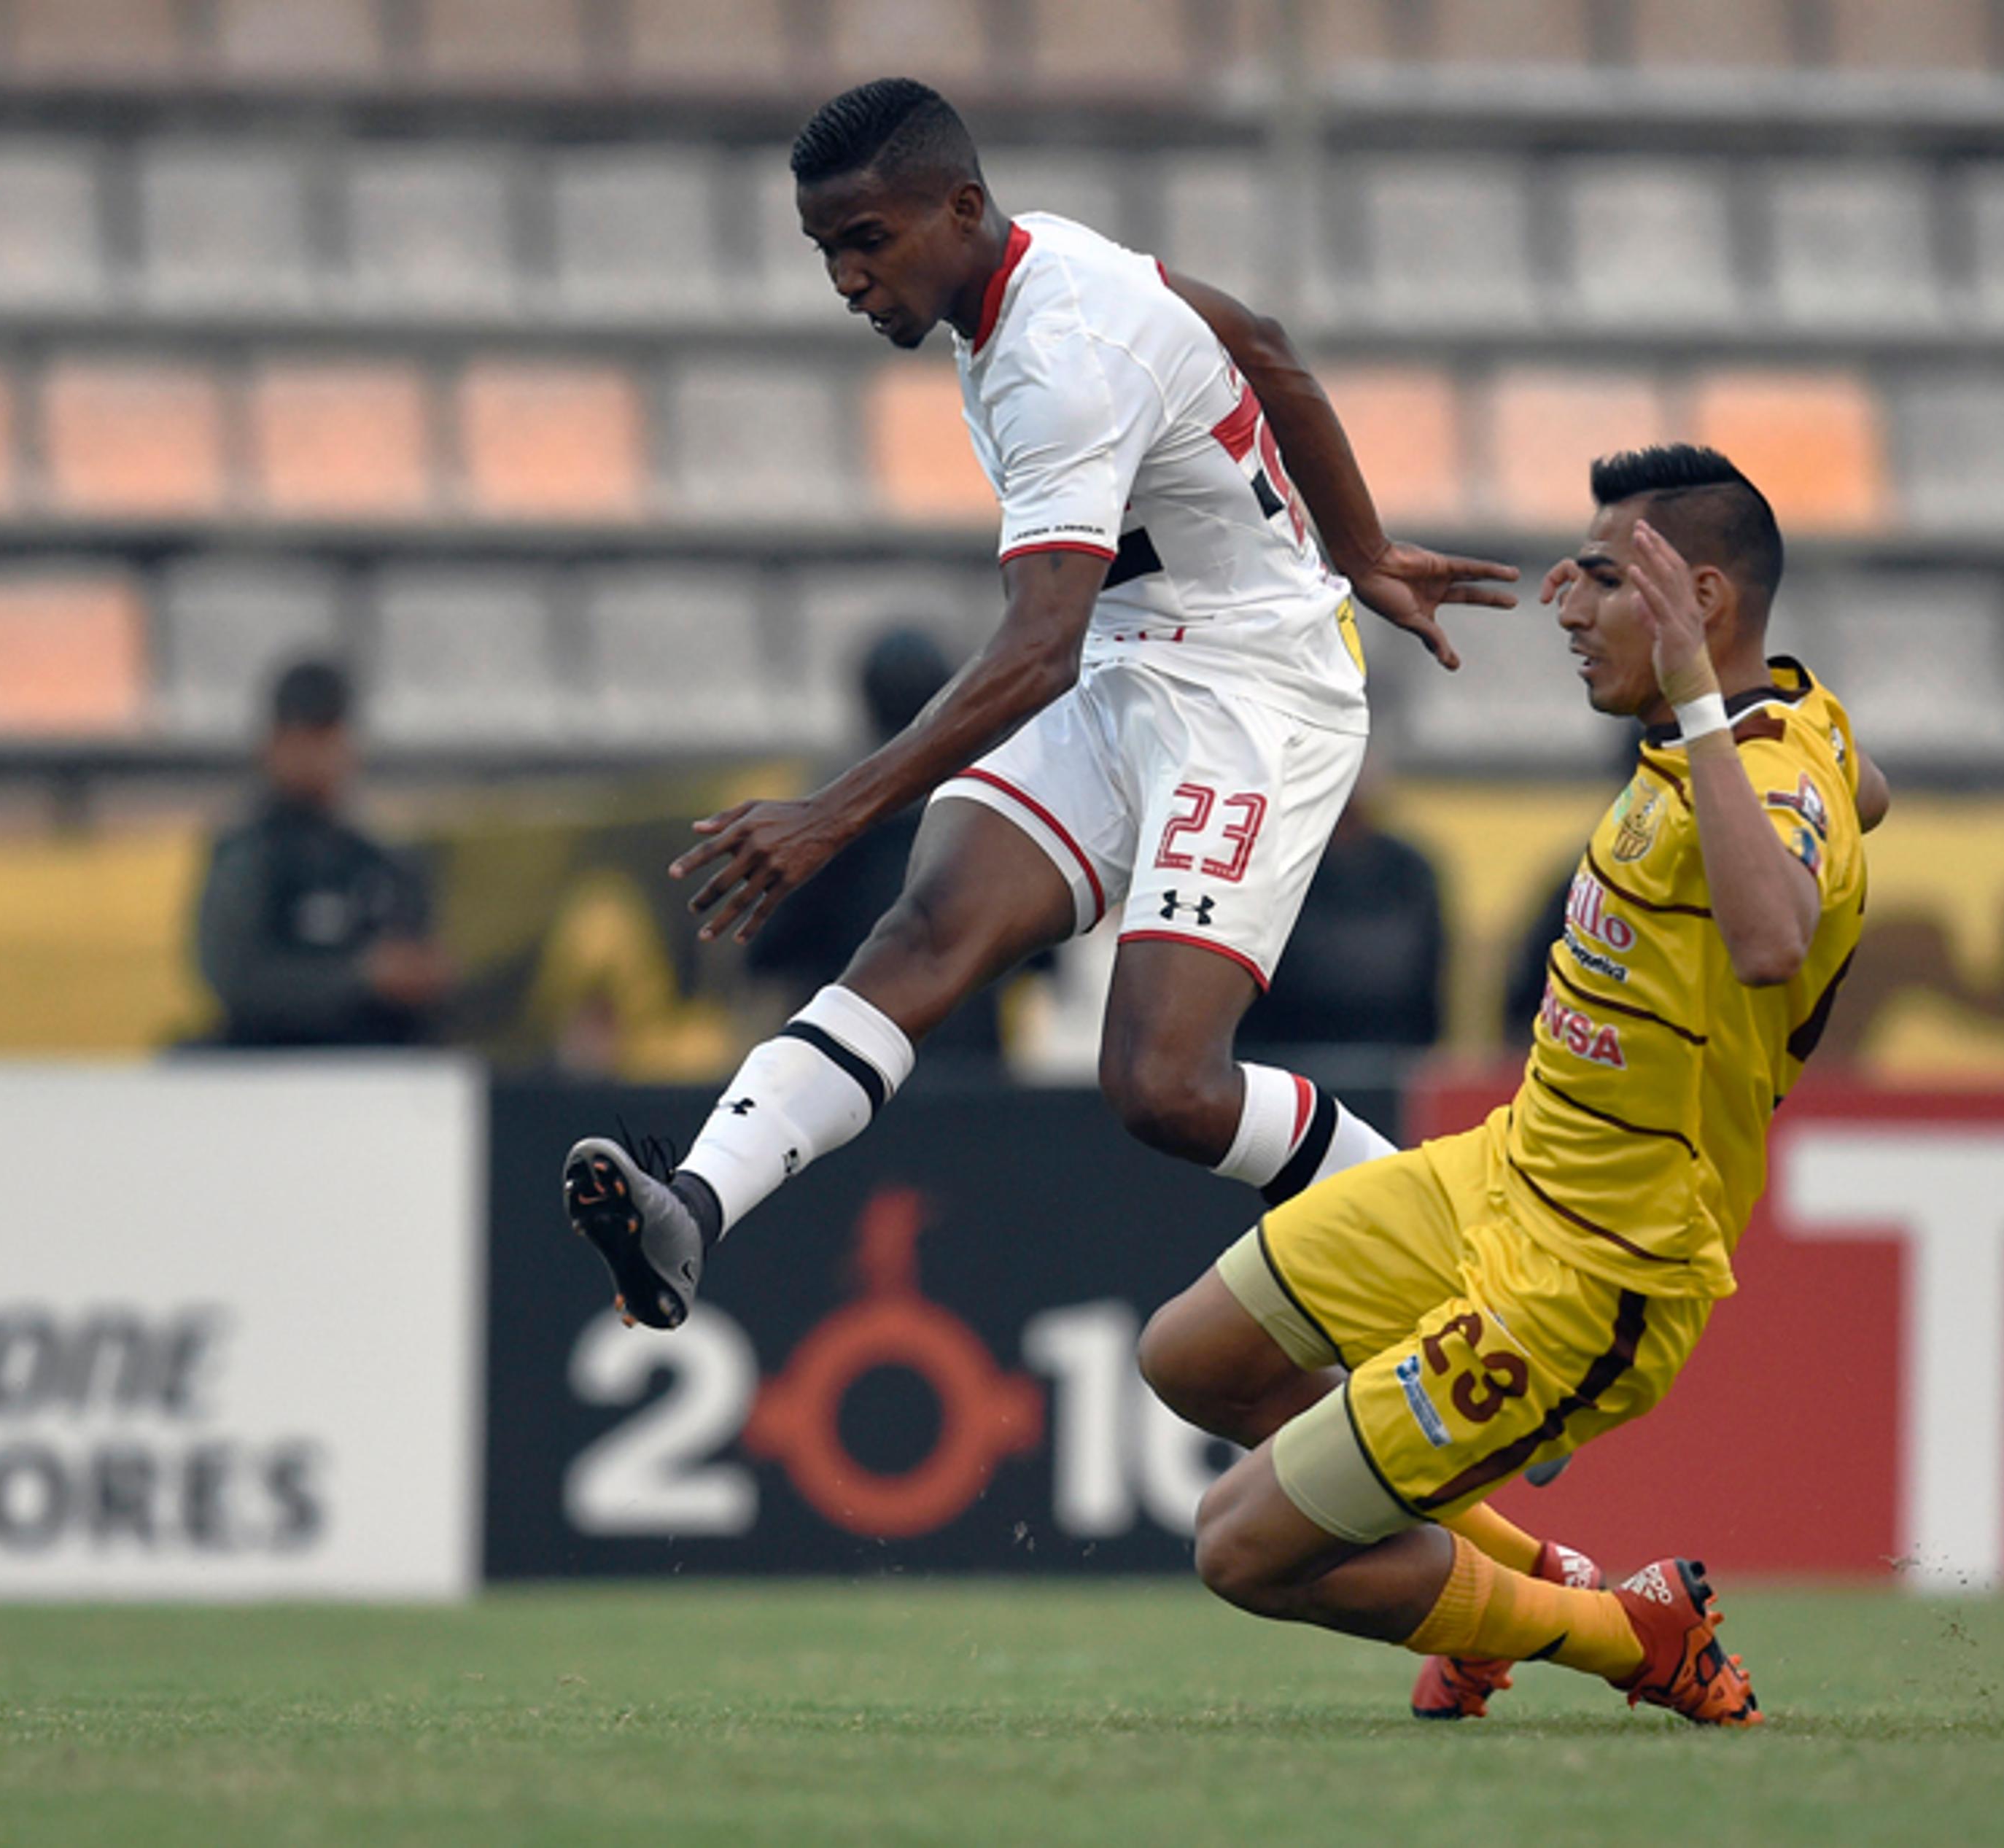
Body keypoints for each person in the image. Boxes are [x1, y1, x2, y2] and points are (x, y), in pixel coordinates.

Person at [560, 77, 1515, 1329]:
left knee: (1166, 1085)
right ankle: (693, 1206)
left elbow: (1036, 650)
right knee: (924, 931)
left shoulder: (1058, 361)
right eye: (826, 250)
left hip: (1251, 696)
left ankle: (1483, 1285)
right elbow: (1262, 342)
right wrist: (1365, 547)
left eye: (866, 241)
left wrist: (831, 813)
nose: (847, 278)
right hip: (1140, 664)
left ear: (959, 208)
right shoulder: (1040, 271)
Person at [1136, 445, 1889, 1727]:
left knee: (1240, 1546)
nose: (1568, 605)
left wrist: (1710, 708)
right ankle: (1561, 1579)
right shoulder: (1790, 738)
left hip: (1598, 1263)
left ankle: (1624, 1637)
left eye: (1604, 577)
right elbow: (1865, 790)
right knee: (1192, 1357)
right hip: (1504, 1171)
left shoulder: (1746, 764)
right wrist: (1749, 730)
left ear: (1701, 601)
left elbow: (1770, 941)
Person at [747, 626, 1011, 1063]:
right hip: (970, 1062)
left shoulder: (831, 827)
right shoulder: (988, 820)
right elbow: (1040, 957)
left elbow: (770, 952)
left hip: (852, 1059)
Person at [192, 659, 451, 1047]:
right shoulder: (252, 855)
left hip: (377, 1065)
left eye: (325, 738)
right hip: (270, 1067)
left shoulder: (384, 859)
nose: (313, 755)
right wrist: (359, 977)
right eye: (300, 739)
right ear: (272, 745)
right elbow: (236, 977)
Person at [1233, 753, 1445, 1058]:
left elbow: (1423, 969)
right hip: (1284, 1050)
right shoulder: (1280, 863)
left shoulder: (1408, 870)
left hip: (1391, 1055)